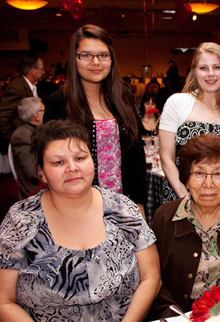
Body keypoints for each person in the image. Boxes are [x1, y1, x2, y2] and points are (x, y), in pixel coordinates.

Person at [0, 119, 161, 322]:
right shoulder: (21, 221)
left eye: (80, 158)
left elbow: (151, 278)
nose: (72, 168)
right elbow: (4, 301)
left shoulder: (122, 209)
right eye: (58, 162)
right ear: (41, 173)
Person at [145, 134, 220, 320]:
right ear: (186, 178)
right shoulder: (165, 218)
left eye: (217, 174)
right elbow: (154, 281)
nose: (208, 184)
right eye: (199, 173)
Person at [44, 24, 147, 213]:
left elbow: (136, 154)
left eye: (103, 55)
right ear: (74, 58)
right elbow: (51, 160)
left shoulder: (122, 95)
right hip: (77, 207)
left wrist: (138, 206)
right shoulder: (59, 102)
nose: (96, 62)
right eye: (86, 55)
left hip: (123, 205)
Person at [158, 42, 220, 202]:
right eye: (203, 68)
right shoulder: (178, 103)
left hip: (219, 201)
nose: (211, 73)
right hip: (180, 197)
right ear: (194, 71)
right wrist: (188, 200)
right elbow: (166, 158)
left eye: (217, 67)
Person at [0, 52, 44, 154]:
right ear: (33, 70)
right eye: (41, 69)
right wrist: (13, 139)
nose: (43, 72)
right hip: (21, 140)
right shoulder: (16, 87)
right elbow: (2, 117)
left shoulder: (29, 86)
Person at [10, 97, 44, 199]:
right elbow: (32, 172)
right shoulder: (22, 136)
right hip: (35, 193)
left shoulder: (35, 130)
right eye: (44, 111)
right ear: (36, 116)